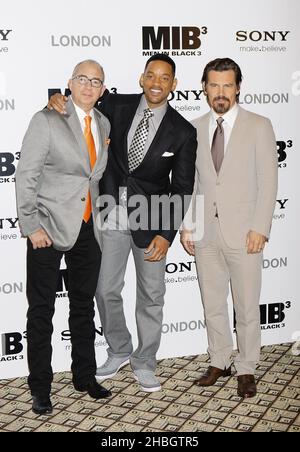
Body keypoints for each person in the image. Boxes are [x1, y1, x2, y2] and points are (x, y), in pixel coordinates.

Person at [48, 54, 197, 392]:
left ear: (174, 84)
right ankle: (119, 349)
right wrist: (56, 99)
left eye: (165, 77)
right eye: (151, 75)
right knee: (104, 288)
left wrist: (166, 234)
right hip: (111, 211)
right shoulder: (115, 105)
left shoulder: (183, 131)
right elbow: (80, 100)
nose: (156, 82)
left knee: (152, 294)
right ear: (141, 78)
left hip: (154, 219)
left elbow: (183, 187)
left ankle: (145, 361)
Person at [16, 60, 112, 415]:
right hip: (47, 227)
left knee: (83, 306)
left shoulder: (103, 123)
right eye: (82, 79)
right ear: (69, 83)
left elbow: (92, 177)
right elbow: (26, 175)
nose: (88, 86)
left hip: (88, 228)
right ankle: (40, 386)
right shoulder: (46, 119)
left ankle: (84, 375)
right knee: (41, 310)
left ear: (103, 89)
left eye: (96, 81)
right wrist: (31, 225)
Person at [181, 57, 278, 398]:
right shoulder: (192, 128)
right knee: (212, 302)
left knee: (247, 305)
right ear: (204, 88)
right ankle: (220, 359)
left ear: (238, 87)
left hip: (244, 232)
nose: (220, 92)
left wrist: (260, 227)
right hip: (205, 231)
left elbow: (268, 181)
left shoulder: (259, 125)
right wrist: (188, 226)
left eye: (227, 85)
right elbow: (190, 182)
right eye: (213, 85)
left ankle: (247, 366)